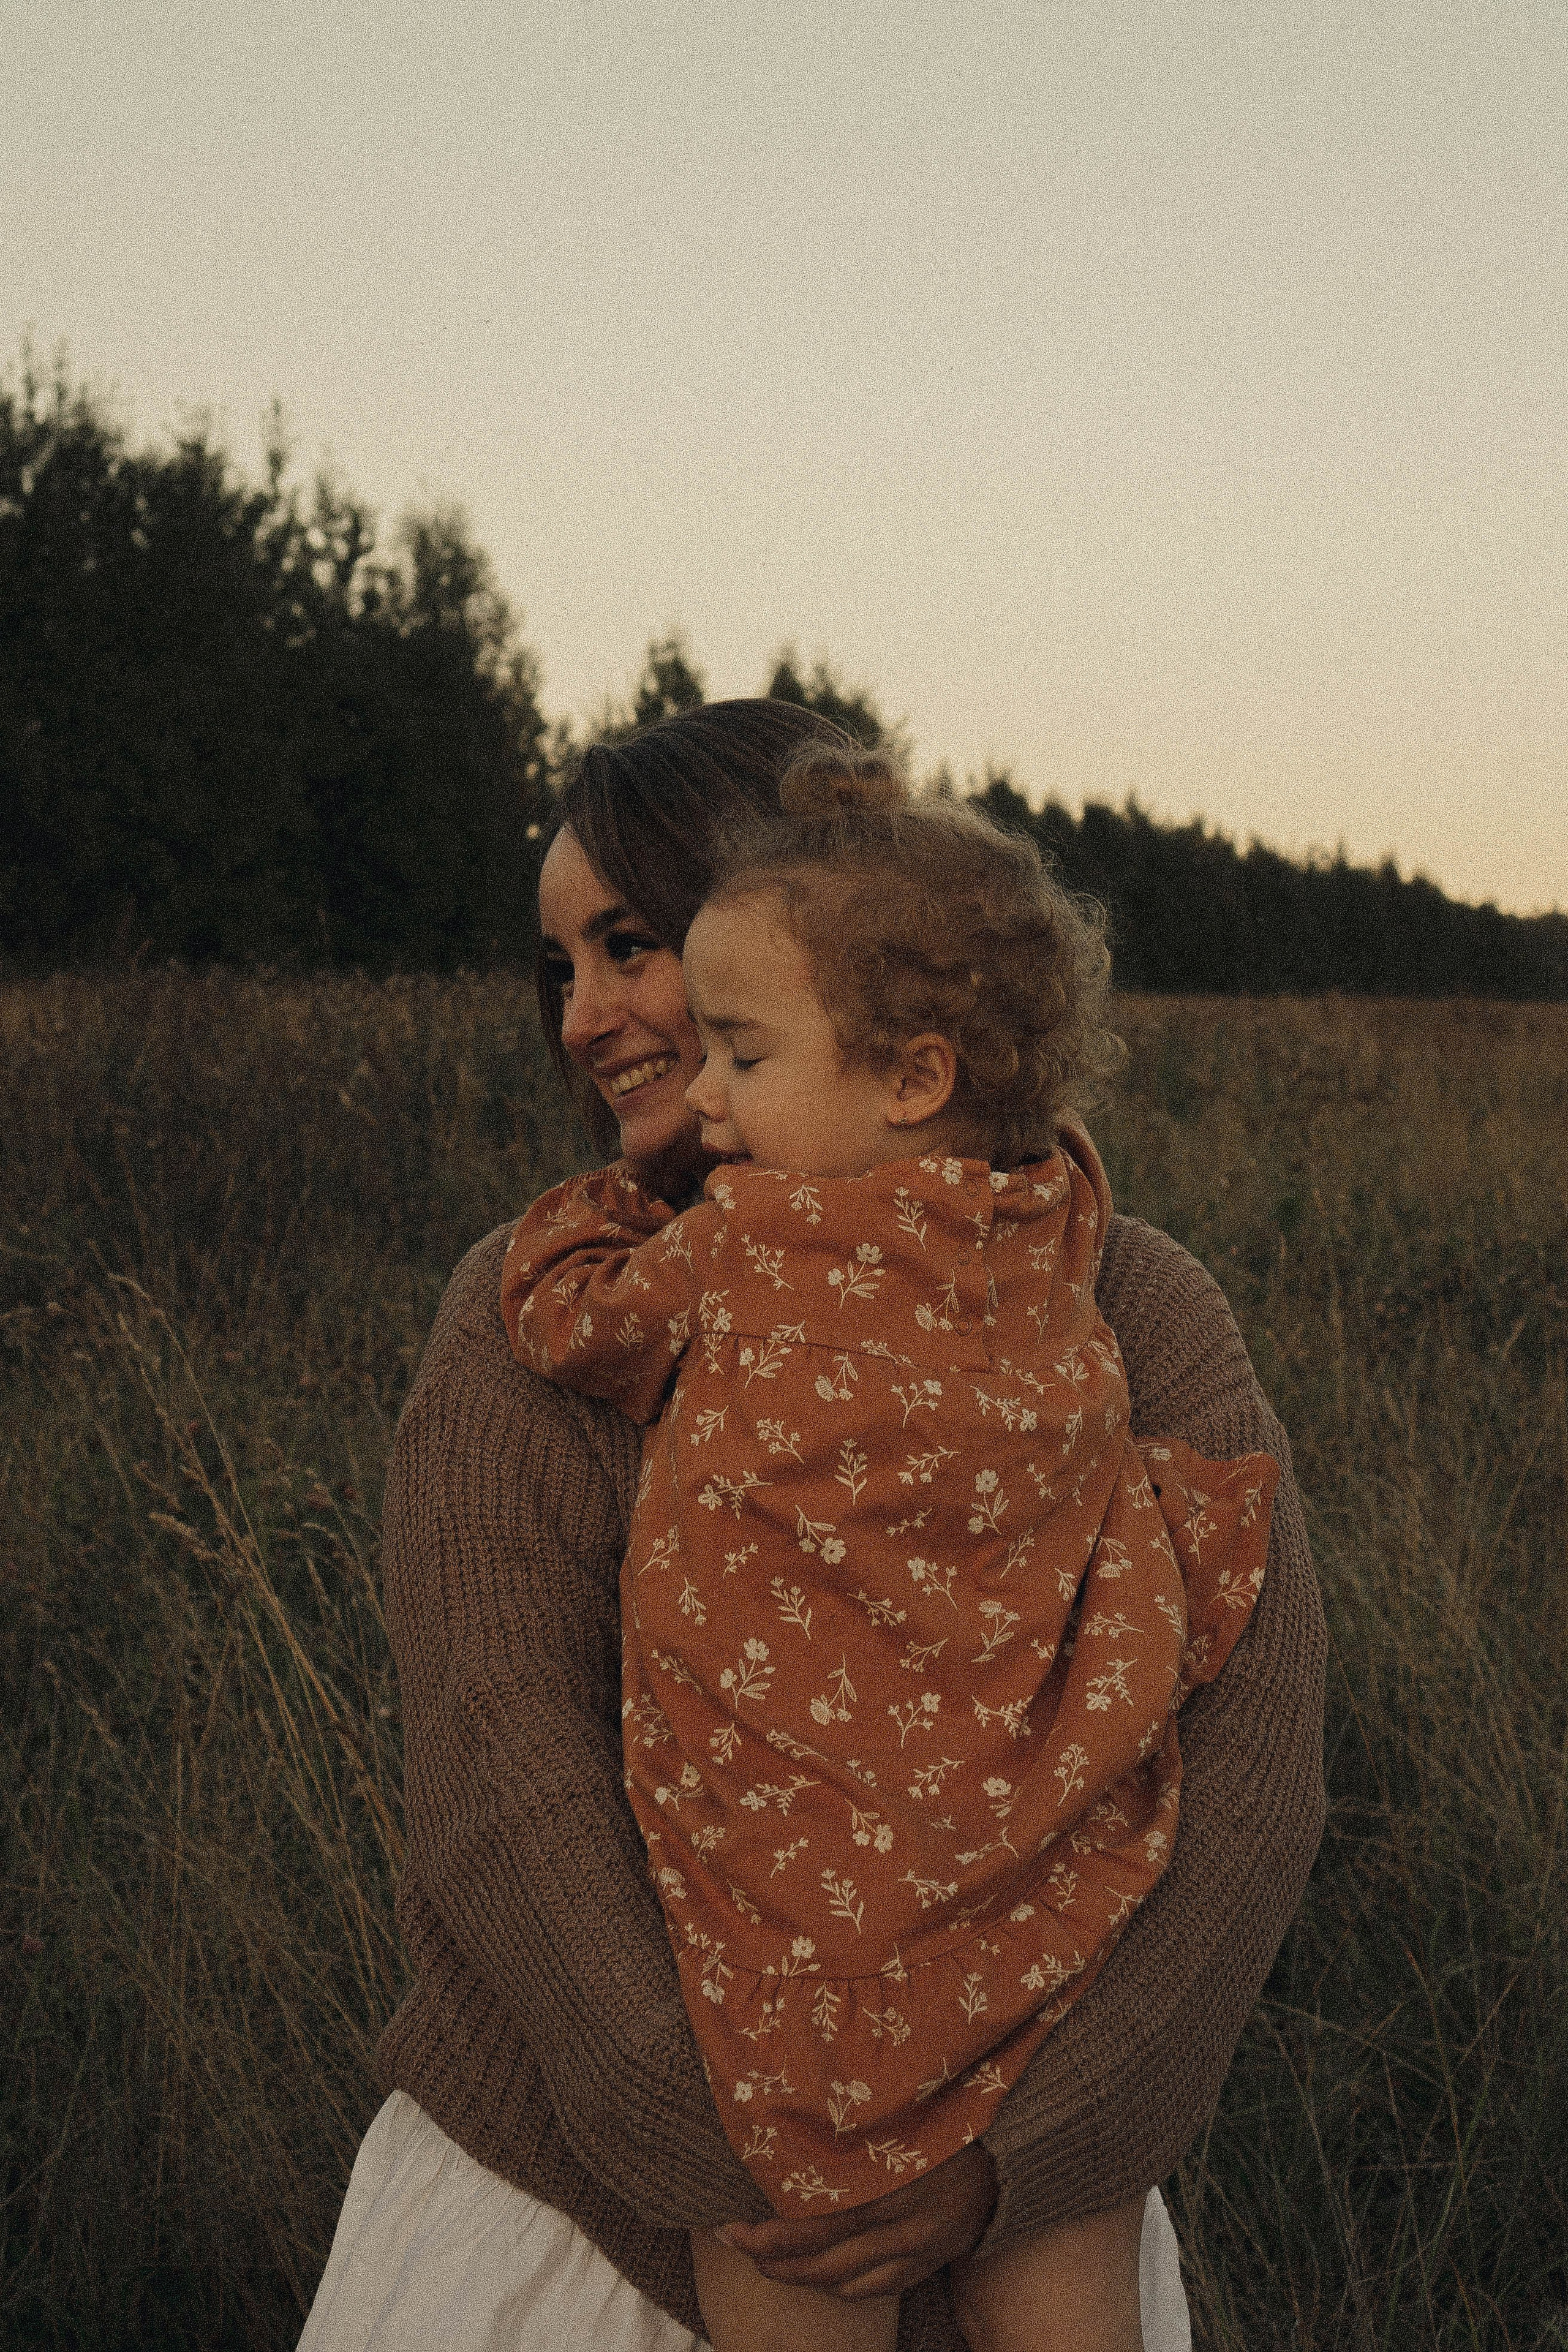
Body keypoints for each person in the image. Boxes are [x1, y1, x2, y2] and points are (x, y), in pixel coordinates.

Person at [299, 700, 1325, 2352]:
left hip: (1033, 2217)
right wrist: (771, 2154)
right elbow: (503, 1772)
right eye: (558, 968)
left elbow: (1258, 1772)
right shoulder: (545, 1312)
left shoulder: (1124, 1294)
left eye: (629, 942)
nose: (589, 1017)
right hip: (583, 2223)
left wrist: (1016, 2164)